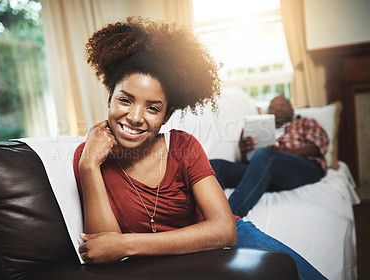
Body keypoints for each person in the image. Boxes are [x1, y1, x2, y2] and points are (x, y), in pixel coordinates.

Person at [73, 17, 327, 279]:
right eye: (125, 100)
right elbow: (103, 251)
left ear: (167, 116)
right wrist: (89, 166)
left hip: (225, 243)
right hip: (177, 263)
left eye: (152, 108)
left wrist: (127, 243)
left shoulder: (184, 146)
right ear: (110, 98)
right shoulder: (89, 156)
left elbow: (224, 230)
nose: (136, 117)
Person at [210, 95, 330, 217]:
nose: (278, 109)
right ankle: (208, 215)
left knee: (265, 155)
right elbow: (256, 164)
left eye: (282, 105)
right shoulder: (262, 129)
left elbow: (319, 145)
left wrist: (287, 152)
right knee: (215, 166)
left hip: (304, 168)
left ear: (292, 109)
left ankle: (228, 217)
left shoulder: (305, 122)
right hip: (267, 172)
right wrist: (244, 151)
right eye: (273, 107)